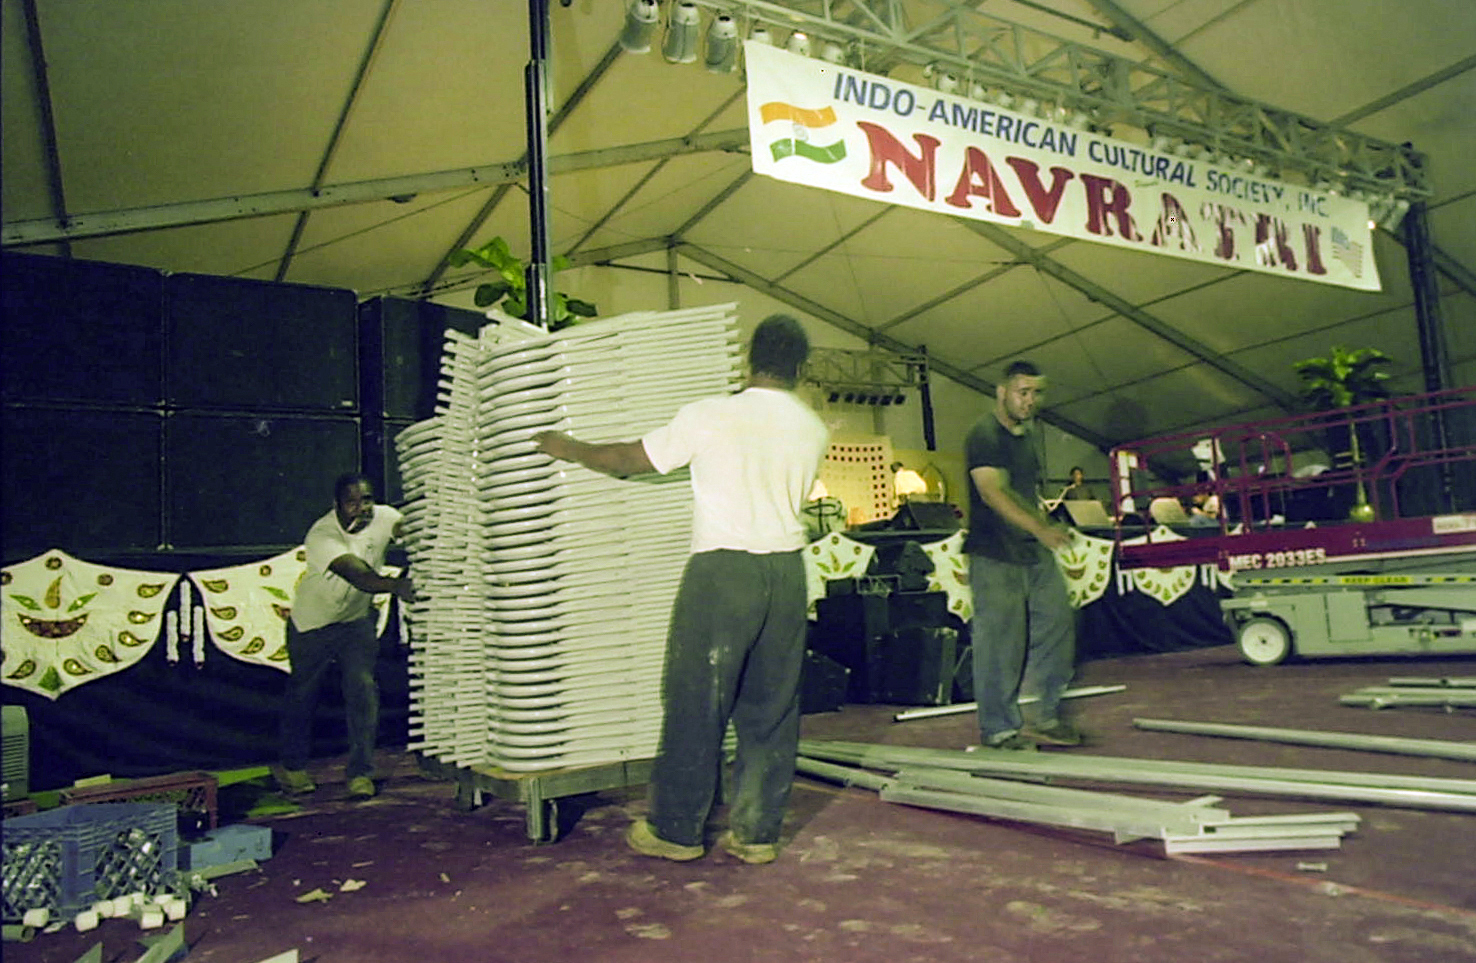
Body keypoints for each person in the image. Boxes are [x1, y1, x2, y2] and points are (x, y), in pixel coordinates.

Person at [533, 314, 829, 865]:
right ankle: (757, 835)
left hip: (724, 570)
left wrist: (568, 447)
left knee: (697, 699)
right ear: (801, 366)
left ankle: (676, 830)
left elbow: (628, 462)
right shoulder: (813, 428)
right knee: (772, 709)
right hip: (787, 573)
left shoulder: (711, 414)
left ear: (750, 357)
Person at [273, 472, 413, 799]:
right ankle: (293, 768)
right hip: (312, 626)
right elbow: (359, 575)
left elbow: (410, 531)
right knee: (302, 695)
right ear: (336, 505)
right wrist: (396, 586)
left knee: (363, 690)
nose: (361, 508)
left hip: (355, 622)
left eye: (367, 500)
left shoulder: (384, 516)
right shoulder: (322, 535)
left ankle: (361, 774)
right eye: (352, 502)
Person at [964, 360, 1080, 751]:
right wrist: (1040, 529)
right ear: (1002, 392)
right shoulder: (984, 435)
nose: (1030, 400)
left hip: (1031, 550)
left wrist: (1045, 522)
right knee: (1000, 643)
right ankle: (999, 729)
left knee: (1057, 625)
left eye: (1036, 393)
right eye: (1022, 392)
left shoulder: (1026, 438)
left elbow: (1023, 494)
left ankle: (1041, 717)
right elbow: (991, 491)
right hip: (994, 553)